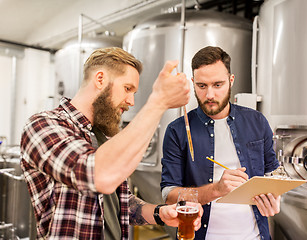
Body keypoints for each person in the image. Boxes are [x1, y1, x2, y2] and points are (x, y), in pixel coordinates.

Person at [20, 47, 202, 239]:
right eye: (127, 88)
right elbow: (99, 175)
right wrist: (158, 102)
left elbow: (123, 203)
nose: (131, 101)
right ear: (100, 79)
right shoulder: (43, 125)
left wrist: (160, 213)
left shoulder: (103, 136)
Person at [160, 46, 281, 240]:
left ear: (231, 81)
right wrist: (217, 190)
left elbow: (273, 174)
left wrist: (274, 197)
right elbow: (169, 194)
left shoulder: (257, 121)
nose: (209, 95)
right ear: (193, 83)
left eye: (218, 85)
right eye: (201, 86)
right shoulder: (178, 130)